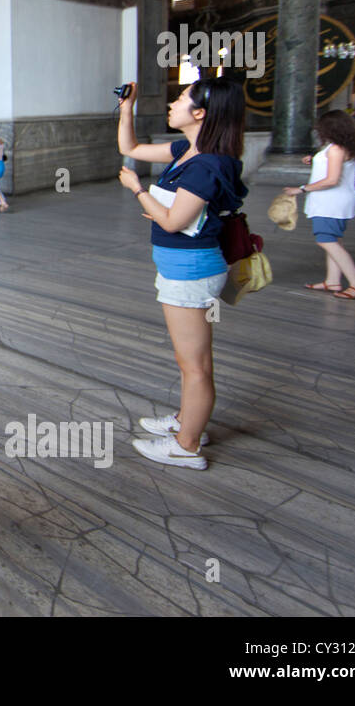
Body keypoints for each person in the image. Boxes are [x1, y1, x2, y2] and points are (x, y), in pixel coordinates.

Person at [116, 78, 248, 470]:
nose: (172, 104)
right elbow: (131, 148)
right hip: (181, 268)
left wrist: (138, 189)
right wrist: (128, 109)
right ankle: (187, 421)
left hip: (191, 271)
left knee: (195, 365)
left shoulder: (206, 166)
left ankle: (187, 446)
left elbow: (173, 222)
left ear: (201, 113)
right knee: (190, 360)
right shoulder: (185, 151)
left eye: (180, 99)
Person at [283, 110, 355, 299]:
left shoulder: (336, 149)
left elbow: (332, 180)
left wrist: (302, 189)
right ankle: (332, 281)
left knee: (326, 240)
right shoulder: (338, 147)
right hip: (335, 202)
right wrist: (314, 160)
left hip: (332, 202)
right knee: (333, 240)